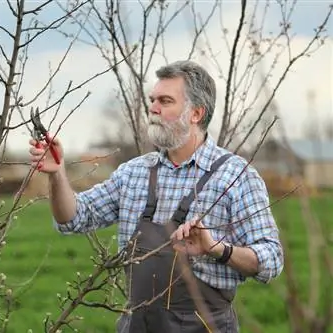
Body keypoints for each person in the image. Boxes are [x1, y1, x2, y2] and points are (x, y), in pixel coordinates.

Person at [28, 60, 284, 333]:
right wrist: (57, 174)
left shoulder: (237, 177)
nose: (153, 108)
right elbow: (73, 218)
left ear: (196, 113)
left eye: (165, 101)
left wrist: (216, 248)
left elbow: (271, 260)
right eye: (152, 100)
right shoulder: (134, 173)